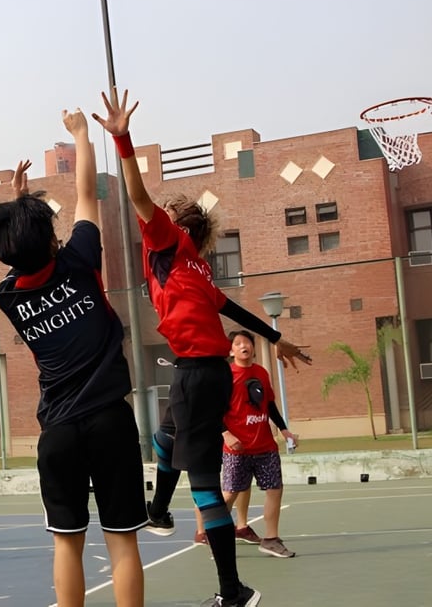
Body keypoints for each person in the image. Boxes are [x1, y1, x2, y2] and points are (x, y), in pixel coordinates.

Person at [93, 88, 312, 607]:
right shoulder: (195, 264)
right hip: (198, 373)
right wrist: (277, 338)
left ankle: (233, 591)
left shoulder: (169, 241)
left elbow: (139, 198)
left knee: (206, 484)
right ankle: (160, 511)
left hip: (198, 372)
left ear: (177, 222)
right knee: (165, 437)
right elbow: (230, 308)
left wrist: (123, 140)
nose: (160, 213)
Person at [0, 108, 147, 607]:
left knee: (68, 545)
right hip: (110, 422)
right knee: (122, 542)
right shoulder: (79, 260)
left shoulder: (7, 296)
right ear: (51, 238)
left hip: (59, 433)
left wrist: (16, 205)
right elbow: (87, 196)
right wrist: (80, 134)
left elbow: (21, 249)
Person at [221, 330, 298, 559]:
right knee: (229, 495)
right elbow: (212, 409)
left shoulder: (261, 373)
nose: (244, 345)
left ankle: (271, 539)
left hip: (265, 446)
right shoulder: (225, 375)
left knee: (275, 489)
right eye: (238, 343)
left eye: (247, 342)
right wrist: (225, 433)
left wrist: (284, 429)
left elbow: (270, 405)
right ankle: (215, 538)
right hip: (237, 449)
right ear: (231, 350)